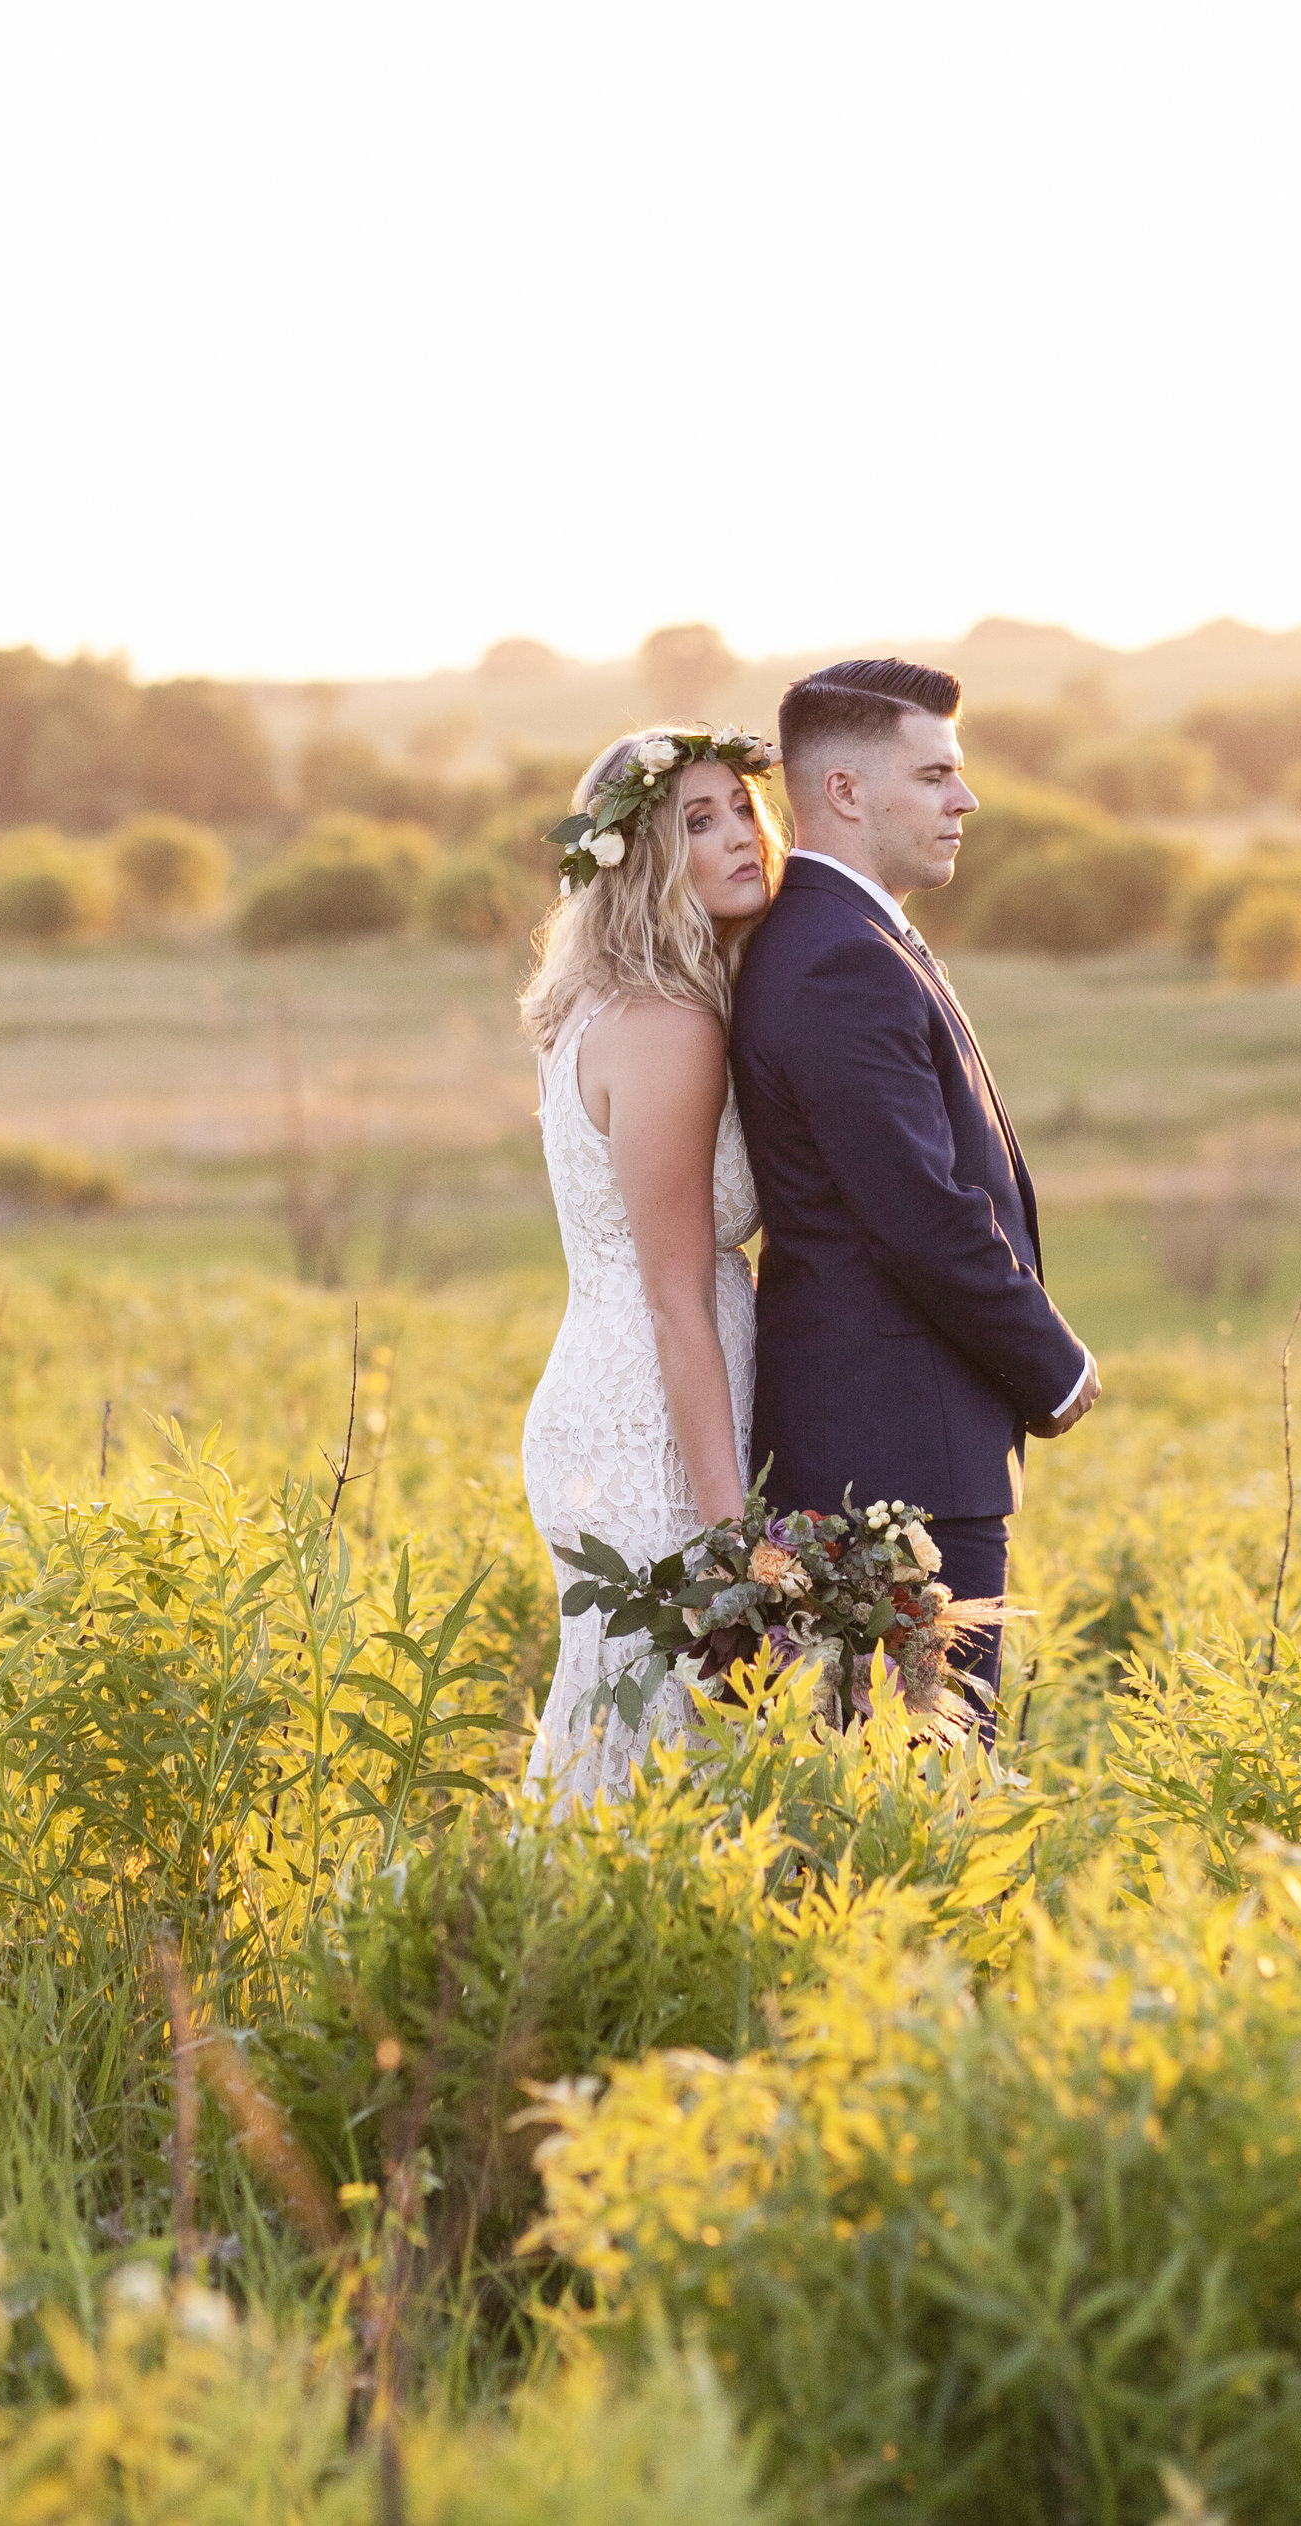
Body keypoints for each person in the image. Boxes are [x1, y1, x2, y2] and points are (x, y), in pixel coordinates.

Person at [730, 655, 1099, 1708]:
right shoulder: (837, 959)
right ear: (844, 791)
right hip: (892, 1451)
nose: (965, 798)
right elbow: (918, 1215)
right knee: (928, 1780)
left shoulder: (845, 938)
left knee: (906, 1778)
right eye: (935, 774)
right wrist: (1055, 1366)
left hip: (898, 1441)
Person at [516, 722, 783, 1801]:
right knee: (665, 1740)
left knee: (625, 1726)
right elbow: (677, 1299)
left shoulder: (601, 1003)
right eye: (697, 821)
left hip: (609, 1389)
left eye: (742, 811)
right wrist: (736, 1544)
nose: (739, 837)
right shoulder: (671, 1024)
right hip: (649, 1426)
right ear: (637, 859)